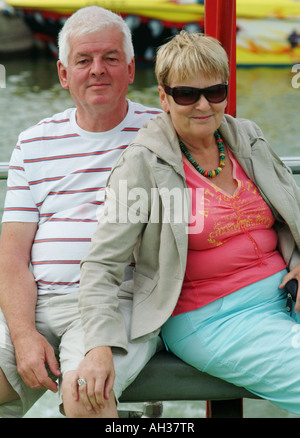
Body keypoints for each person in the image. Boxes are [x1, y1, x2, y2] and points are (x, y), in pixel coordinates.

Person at [76, 30, 300, 416]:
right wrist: (99, 344)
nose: (203, 105)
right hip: (214, 317)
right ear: (163, 97)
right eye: (186, 94)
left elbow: (290, 213)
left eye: (215, 92)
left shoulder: (245, 138)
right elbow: (101, 265)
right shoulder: (143, 165)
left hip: (285, 294)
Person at [0, 6, 162, 418]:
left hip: (115, 300)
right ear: (63, 73)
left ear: (130, 68)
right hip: (34, 303)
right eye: (84, 60)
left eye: (110, 58)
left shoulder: (164, 134)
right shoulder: (33, 143)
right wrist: (23, 336)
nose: (97, 70)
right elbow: (13, 256)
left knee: (86, 396)